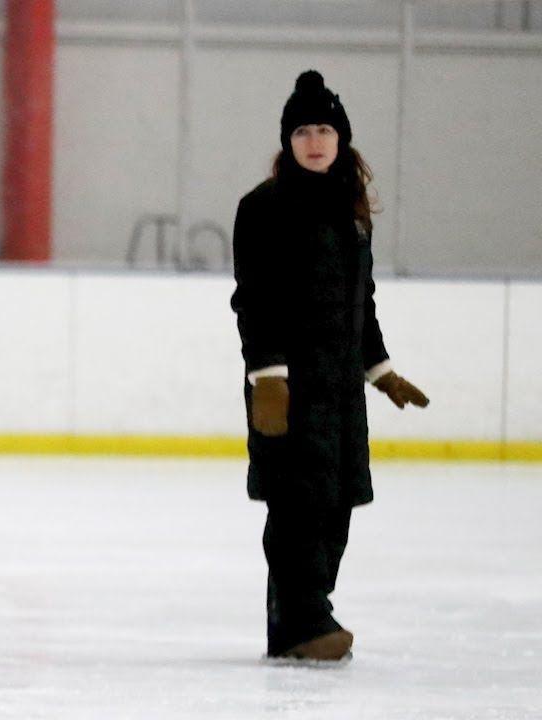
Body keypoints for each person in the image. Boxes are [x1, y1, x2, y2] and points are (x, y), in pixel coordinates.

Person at [230, 70, 429, 663]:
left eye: (324, 129)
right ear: (287, 142)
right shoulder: (262, 208)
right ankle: (304, 621)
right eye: (302, 131)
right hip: (290, 390)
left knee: (336, 505)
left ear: (340, 139)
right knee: (298, 508)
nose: (314, 140)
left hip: (343, 392)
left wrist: (381, 370)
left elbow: (359, 303)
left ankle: (301, 617)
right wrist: (268, 379)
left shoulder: (351, 211)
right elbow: (254, 299)